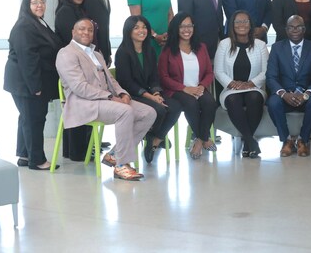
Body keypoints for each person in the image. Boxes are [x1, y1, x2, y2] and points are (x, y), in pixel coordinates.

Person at [56, 19, 156, 181]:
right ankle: (122, 165)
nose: (86, 33)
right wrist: (110, 97)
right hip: (83, 103)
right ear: (73, 32)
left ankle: (115, 154)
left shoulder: (96, 54)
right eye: (82, 29)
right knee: (125, 111)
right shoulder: (66, 54)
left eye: (89, 30)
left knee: (148, 112)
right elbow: (80, 87)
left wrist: (123, 94)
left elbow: (111, 80)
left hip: (106, 100)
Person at [4, 0, 63, 170]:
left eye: (42, 2)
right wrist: (35, 87)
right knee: (34, 119)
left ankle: (24, 154)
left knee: (27, 118)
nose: (40, 5)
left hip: (30, 81)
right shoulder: (24, 26)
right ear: (26, 6)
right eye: (34, 2)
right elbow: (27, 59)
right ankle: (37, 160)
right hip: (26, 82)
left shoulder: (38, 22)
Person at [115, 15, 182, 164]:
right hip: (132, 95)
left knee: (175, 106)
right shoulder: (123, 52)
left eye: (144, 27)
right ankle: (151, 134)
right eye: (136, 27)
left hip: (149, 92)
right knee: (159, 109)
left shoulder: (149, 50)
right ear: (128, 31)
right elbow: (127, 82)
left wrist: (156, 92)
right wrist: (151, 97)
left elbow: (154, 76)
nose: (142, 30)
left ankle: (155, 138)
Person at [158, 12, 217, 159]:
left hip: (198, 88)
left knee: (210, 103)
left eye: (189, 25)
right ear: (176, 29)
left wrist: (202, 86)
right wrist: (184, 88)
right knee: (191, 104)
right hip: (177, 90)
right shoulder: (168, 50)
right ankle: (204, 138)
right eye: (182, 26)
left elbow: (210, 72)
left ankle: (199, 139)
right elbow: (163, 77)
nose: (186, 29)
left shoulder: (201, 47)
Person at [55, 0, 101, 161]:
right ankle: (77, 152)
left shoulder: (79, 9)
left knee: (84, 101)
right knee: (78, 103)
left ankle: (80, 148)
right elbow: (75, 41)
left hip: (85, 59)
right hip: (74, 62)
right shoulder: (66, 11)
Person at [266, 15, 311, 157]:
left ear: (304, 29)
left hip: (306, 95)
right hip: (285, 95)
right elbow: (271, 77)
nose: (295, 30)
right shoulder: (277, 48)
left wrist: (306, 95)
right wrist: (284, 94)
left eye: (298, 27)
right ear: (286, 30)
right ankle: (286, 141)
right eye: (291, 27)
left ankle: (303, 140)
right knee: (273, 103)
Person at [214, 10, 269, 158]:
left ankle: (247, 143)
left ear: (251, 24)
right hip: (231, 89)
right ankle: (250, 141)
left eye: (245, 21)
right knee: (233, 100)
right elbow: (218, 71)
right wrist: (232, 84)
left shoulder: (261, 45)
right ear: (232, 25)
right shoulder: (224, 44)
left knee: (254, 98)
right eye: (238, 21)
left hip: (254, 88)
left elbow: (266, 72)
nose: (241, 24)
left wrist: (251, 83)